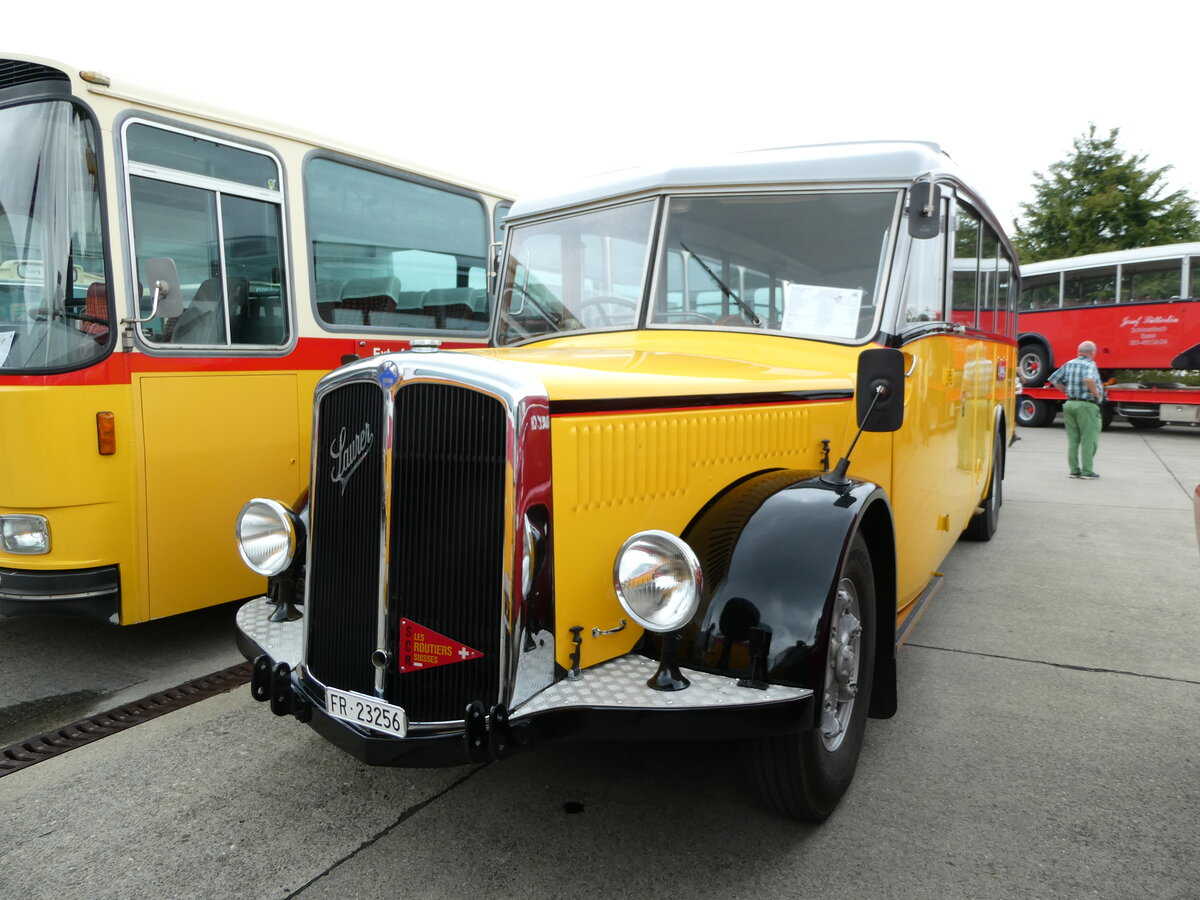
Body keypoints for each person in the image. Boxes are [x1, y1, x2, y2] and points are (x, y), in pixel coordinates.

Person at [1047, 340, 1104, 478]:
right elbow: (1089, 380)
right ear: (1091, 352)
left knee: (1073, 440)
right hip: (1086, 405)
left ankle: (1074, 470)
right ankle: (1087, 471)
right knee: (1089, 439)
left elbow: (1053, 380)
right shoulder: (1090, 364)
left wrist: (1065, 391)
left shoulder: (1069, 363)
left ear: (1079, 351)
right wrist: (1096, 393)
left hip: (1070, 404)